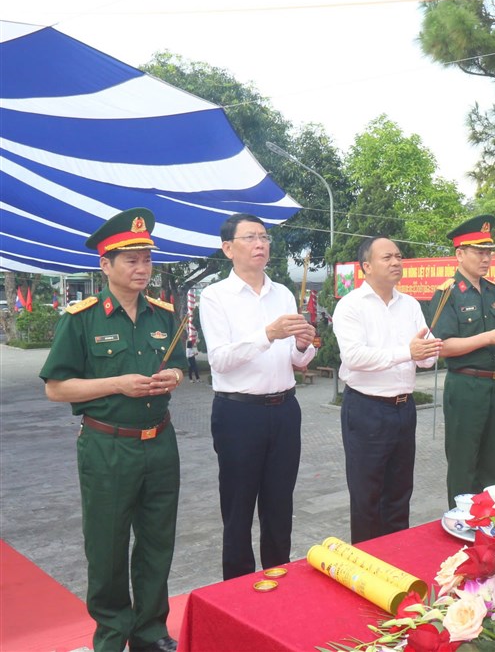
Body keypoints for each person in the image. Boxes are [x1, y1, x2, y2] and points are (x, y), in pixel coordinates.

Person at [39, 208, 185, 652]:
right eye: (131, 261)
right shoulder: (81, 318)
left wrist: (174, 377)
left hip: (160, 442)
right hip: (107, 446)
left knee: (158, 541)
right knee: (106, 545)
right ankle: (111, 635)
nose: (142, 269)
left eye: (147, 260)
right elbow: (57, 388)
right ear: (105, 265)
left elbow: (177, 363)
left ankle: (150, 631)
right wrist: (117, 384)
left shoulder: (163, 314)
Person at [199, 213, 316, 580]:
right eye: (250, 238)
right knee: (238, 507)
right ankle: (237, 591)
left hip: (284, 410)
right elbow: (220, 359)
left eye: (264, 237)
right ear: (228, 248)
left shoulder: (282, 292)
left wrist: (302, 344)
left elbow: (298, 360)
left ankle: (279, 581)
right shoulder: (215, 296)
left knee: (280, 505)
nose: (260, 244)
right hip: (239, 414)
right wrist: (268, 333)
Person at [333, 236, 443, 542]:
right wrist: (409, 352)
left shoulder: (409, 304)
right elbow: (354, 357)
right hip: (367, 410)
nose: (396, 262)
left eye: (398, 256)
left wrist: (430, 350)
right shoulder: (350, 306)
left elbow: (426, 353)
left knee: (399, 494)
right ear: (366, 266)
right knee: (367, 498)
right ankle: (367, 569)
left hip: (404, 409)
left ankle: (397, 564)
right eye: (387, 257)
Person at [429, 215, 495, 505]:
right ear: (460, 254)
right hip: (466, 385)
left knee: (492, 463)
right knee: (463, 465)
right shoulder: (447, 294)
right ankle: (460, 523)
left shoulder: (493, 291)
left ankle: (487, 524)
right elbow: (442, 347)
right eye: (479, 252)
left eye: (489, 252)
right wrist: (489, 338)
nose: (486, 258)